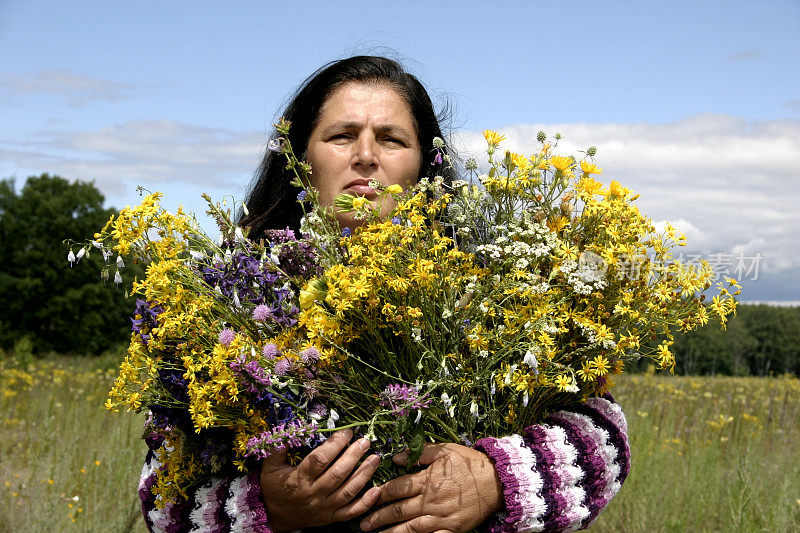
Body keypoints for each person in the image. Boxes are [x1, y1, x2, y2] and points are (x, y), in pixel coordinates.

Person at [139, 56, 630, 533]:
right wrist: (268, 509)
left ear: (424, 166)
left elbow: (604, 436)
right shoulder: (228, 310)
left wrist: (497, 482)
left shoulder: (489, 290)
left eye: (392, 139)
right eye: (341, 136)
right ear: (300, 160)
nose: (366, 156)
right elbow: (163, 499)